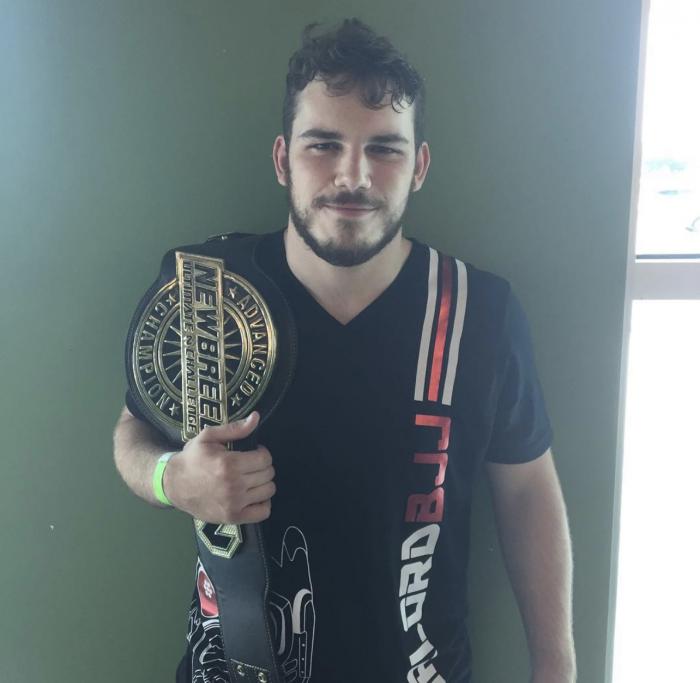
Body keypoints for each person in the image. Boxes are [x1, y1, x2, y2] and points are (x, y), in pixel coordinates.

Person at [113, 18, 576, 683]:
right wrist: (171, 479)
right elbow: (133, 431)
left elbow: (527, 487)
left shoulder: (479, 312)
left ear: (418, 167)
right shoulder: (206, 288)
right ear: (282, 159)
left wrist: (556, 667)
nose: (352, 175)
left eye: (384, 148)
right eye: (323, 144)